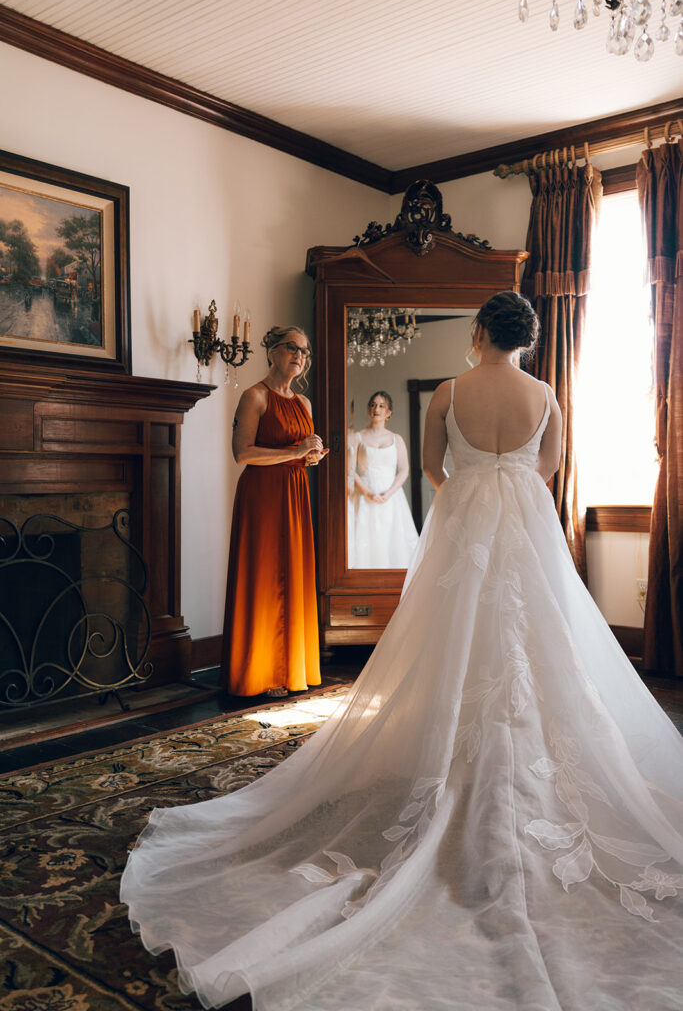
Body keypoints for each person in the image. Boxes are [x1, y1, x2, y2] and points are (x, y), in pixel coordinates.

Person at [121, 292, 683, 1010]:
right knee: (541, 639)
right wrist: (506, 490)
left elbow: (431, 469)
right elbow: (544, 467)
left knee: (450, 639)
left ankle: (449, 751)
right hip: (527, 525)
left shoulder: (449, 391)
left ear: (477, 331)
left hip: (467, 519)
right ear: (527, 340)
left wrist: (473, 494)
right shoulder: (545, 393)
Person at [218, 325, 327, 698]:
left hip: (294, 493)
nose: (300, 355)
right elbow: (242, 454)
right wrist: (295, 452)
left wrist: (309, 456)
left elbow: (297, 453)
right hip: (262, 497)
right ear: (272, 351)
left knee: (292, 573)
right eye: (292, 348)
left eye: (305, 351)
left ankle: (290, 669)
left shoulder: (303, 403)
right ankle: (259, 673)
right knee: (263, 575)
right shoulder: (255, 396)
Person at [348, 391, 419, 568]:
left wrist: (389, 493)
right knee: (367, 538)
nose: (376, 409)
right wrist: (367, 492)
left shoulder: (396, 439)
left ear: (388, 412)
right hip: (364, 495)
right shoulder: (358, 437)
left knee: (391, 539)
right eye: (373, 405)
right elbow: (348, 469)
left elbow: (404, 470)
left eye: (381, 406)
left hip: (391, 497)